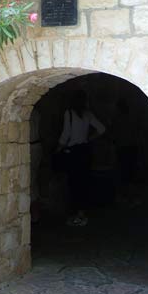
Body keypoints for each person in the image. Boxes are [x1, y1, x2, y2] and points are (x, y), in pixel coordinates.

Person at [56, 90, 106, 226]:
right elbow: (101, 129)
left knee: (73, 183)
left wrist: (58, 148)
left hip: (72, 152)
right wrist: (89, 138)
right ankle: (81, 213)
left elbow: (65, 134)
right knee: (83, 182)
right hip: (84, 151)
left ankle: (75, 214)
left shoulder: (69, 113)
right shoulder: (87, 114)